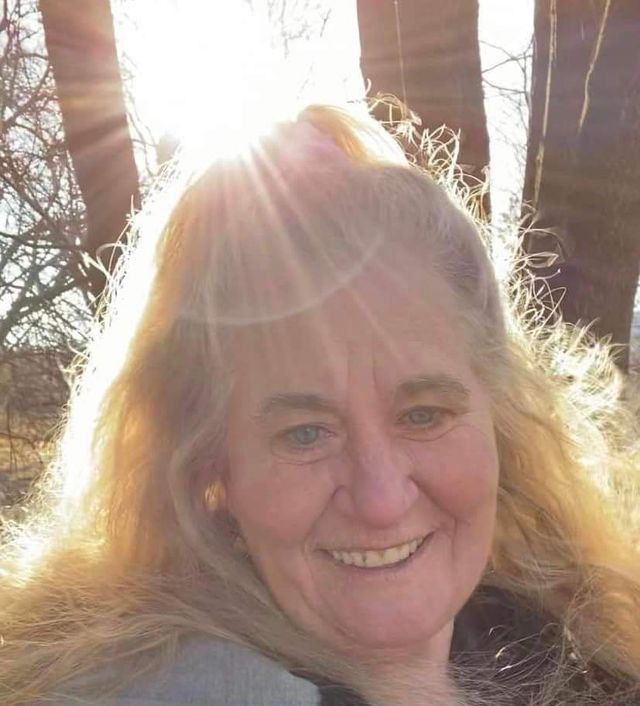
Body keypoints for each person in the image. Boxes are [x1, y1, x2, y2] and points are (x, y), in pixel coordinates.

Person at [1, 104, 639, 706]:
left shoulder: (582, 647)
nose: (381, 499)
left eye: (423, 415)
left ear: (500, 417)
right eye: (305, 433)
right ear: (208, 470)